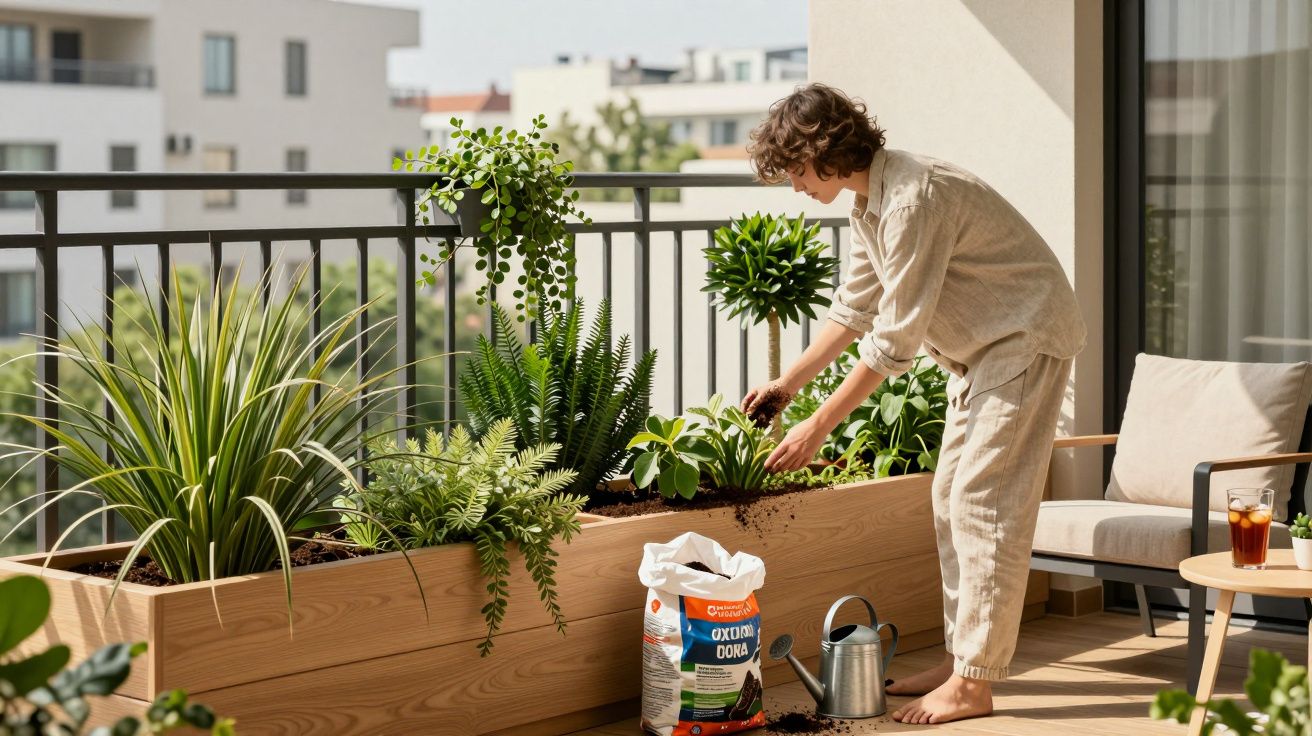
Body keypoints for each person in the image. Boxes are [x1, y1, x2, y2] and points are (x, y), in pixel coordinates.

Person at [742, 83, 1086, 725]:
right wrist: (789, 385)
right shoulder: (869, 204)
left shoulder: (912, 201)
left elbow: (894, 341)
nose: (794, 185)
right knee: (949, 494)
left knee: (982, 503)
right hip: (985, 350)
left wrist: (818, 426)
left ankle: (974, 683)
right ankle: (964, 662)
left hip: (1024, 337)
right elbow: (854, 308)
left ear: (823, 151)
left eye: (794, 169)